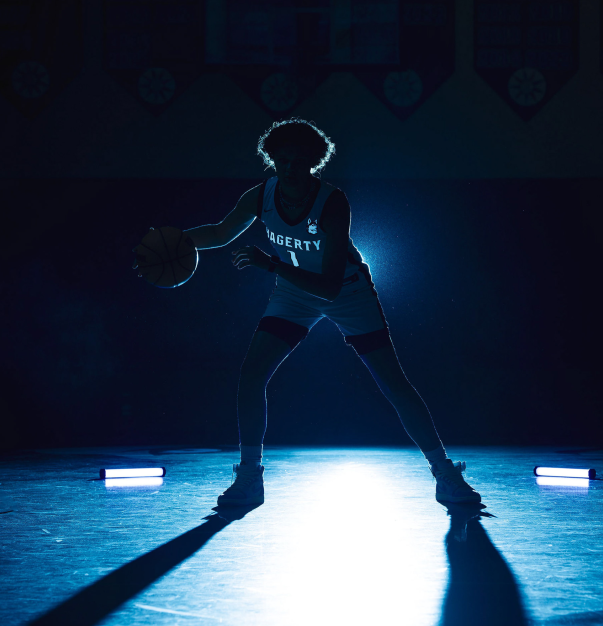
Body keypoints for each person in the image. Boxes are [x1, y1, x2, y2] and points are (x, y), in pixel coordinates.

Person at [155, 118, 481, 508]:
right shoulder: (261, 195)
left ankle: (444, 472)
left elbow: (328, 286)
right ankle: (249, 476)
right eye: (283, 160)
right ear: (271, 159)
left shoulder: (332, 202)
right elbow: (220, 233)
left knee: (394, 384)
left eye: (299, 161)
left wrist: (270, 264)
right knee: (251, 375)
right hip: (293, 292)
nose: (290, 168)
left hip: (346, 291)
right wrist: (171, 242)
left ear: (314, 162)